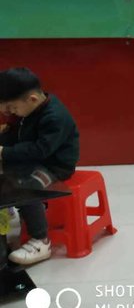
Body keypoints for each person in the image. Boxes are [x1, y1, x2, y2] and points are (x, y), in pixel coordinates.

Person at [0, 68, 79, 266]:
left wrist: (4, 152)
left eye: (12, 108)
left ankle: (40, 240)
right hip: (30, 160)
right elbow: (15, 135)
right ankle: (10, 216)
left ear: (32, 99)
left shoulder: (54, 117)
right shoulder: (28, 109)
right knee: (6, 180)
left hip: (53, 166)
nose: (10, 113)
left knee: (26, 188)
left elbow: (40, 150)